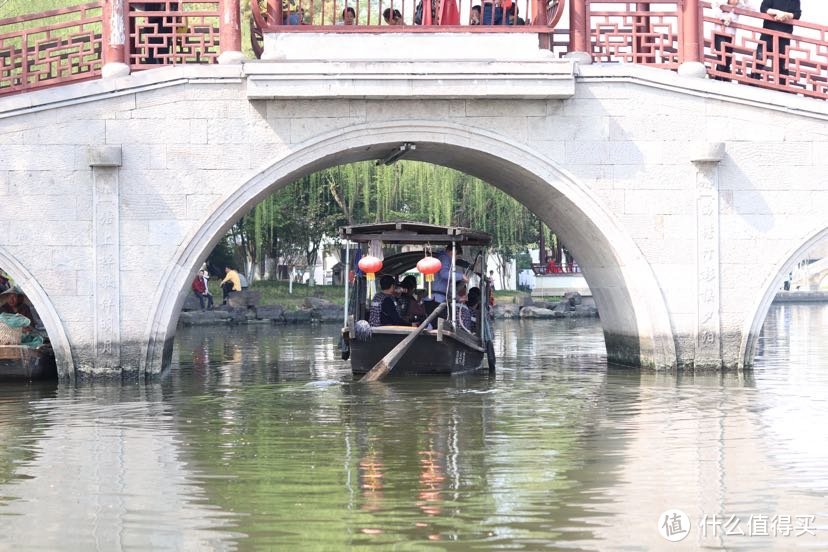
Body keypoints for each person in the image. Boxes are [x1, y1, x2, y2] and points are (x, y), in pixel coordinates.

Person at [756, 0, 801, 85]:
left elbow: (797, 14)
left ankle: (783, 89)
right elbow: (763, 8)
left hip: (784, 36)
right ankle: (753, 83)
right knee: (759, 60)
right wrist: (778, 13)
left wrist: (786, 15)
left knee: (783, 66)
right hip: (768, 34)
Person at [426, 244, 468, 315]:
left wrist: (458, 298)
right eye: (457, 256)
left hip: (438, 299)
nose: (456, 259)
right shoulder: (444, 258)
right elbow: (444, 273)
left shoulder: (443, 260)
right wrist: (461, 276)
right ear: (452, 252)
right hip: (435, 300)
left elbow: (449, 287)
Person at [712, 0, 745, 81]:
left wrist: (730, 18)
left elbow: (752, 8)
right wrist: (724, 17)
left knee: (727, 58)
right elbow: (714, 5)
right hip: (719, 33)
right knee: (722, 56)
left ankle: (722, 78)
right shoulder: (721, 3)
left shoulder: (739, 6)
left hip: (730, 36)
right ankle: (720, 78)